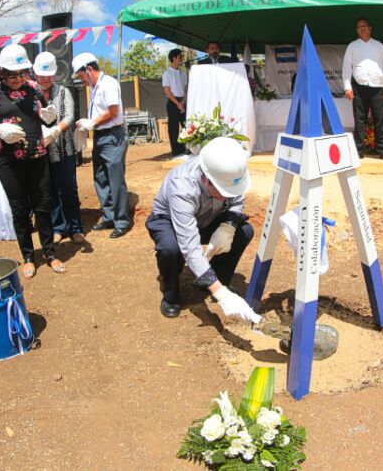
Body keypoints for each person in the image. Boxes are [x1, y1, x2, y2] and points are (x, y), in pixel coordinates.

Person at [146, 136, 260, 322]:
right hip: (170, 220)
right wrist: (223, 296)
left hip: (207, 216)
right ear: (206, 180)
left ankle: (214, 280)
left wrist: (228, 227)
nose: (226, 197)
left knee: (244, 231)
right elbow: (190, 247)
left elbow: (237, 200)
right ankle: (171, 293)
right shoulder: (182, 187)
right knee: (170, 249)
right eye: (223, 192)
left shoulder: (228, 172)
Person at [0, 45, 65, 278]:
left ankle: (49, 252)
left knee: (43, 205)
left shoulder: (34, 89)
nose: (18, 79)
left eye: (23, 73)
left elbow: (43, 114)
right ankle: (27, 256)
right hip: (8, 161)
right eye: (12, 74)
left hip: (37, 155)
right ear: (2, 72)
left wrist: (49, 116)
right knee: (20, 209)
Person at [73, 52, 132, 238]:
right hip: (100, 137)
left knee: (115, 179)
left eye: (81, 76)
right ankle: (109, 216)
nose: (82, 80)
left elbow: (113, 111)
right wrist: (88, 124)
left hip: (112, 136)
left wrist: (93, 123)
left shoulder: (108, 84)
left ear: (89, 69)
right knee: (101, 178)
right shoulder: (95, 86)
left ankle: (122, 221)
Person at [32, 52, 84, 244]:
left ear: (54, 75)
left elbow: (69, 117)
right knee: (50, 191)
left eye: (48, 75)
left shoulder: (64, 92)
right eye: (42, 75)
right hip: (42, 153)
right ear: (36, 74)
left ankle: (76, 227)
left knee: (68, 189)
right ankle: (58, 228)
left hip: (64, 150)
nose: (45, 79)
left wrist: (56, 131)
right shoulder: (31, 94)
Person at [342, 17, 383, 160]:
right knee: (359, 119)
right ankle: (358, 150)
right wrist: (347, 87)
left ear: (370, 28)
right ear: (356, 30)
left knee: (380, 119)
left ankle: (382, 150)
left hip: (378, 88)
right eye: (359, 27)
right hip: (359, 88)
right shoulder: (352, 46)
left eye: (364, 26)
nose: (362, 28)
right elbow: (347, 67)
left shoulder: (379, 46)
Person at [163, 48, 187, 158]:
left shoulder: (183, 73)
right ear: (174, 58)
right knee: (173, 128)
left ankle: (186, 148)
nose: (182, 59)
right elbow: (167, 91)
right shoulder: (167, 73)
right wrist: (177, 103)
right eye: (180, 57)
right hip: (173, 102)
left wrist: (183, 101)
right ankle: (176, 152)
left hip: (183, 101)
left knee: (187, 125)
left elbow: (186, 88)